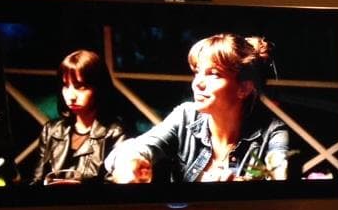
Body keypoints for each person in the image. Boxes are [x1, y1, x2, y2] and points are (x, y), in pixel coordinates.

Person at [105, 33, 289, 183]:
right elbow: (135, 149)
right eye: (197, 72)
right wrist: (131, 161)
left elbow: (281, 179)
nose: (197, 83)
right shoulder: (186, 116)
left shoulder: (272, 131)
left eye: (213, 74)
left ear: (244, 88)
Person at [27, 49, 129, 184]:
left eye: (80, 87)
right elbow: (36, 182)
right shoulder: (51, 130)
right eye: (65, 85)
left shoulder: (115, 132)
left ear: (99, 87)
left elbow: (115, 190)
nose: (71, 96)